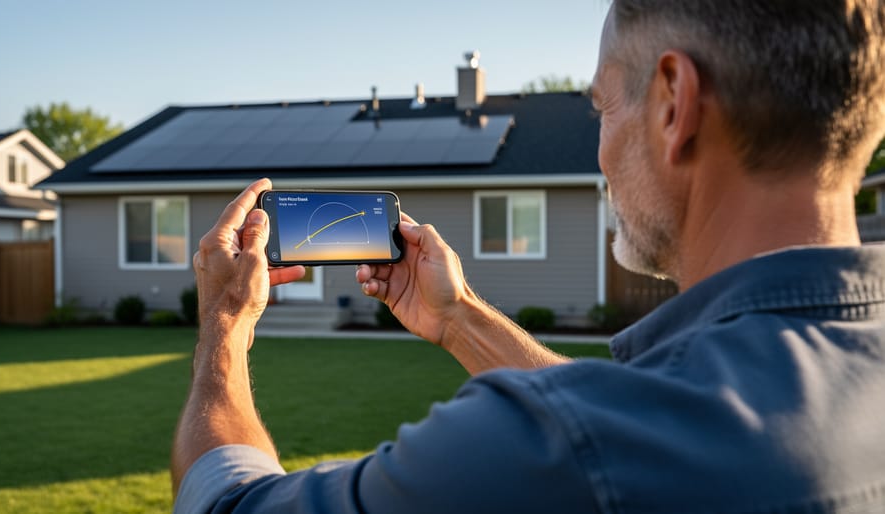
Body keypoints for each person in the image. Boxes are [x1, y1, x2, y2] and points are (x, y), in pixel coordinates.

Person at [172, 1, 885, 512]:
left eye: (602, 108)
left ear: (674, 103)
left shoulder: (539, 451)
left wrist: (225, 322)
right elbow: (628, 420)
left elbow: (225, 503)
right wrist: (460, 319)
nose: (599, 150)